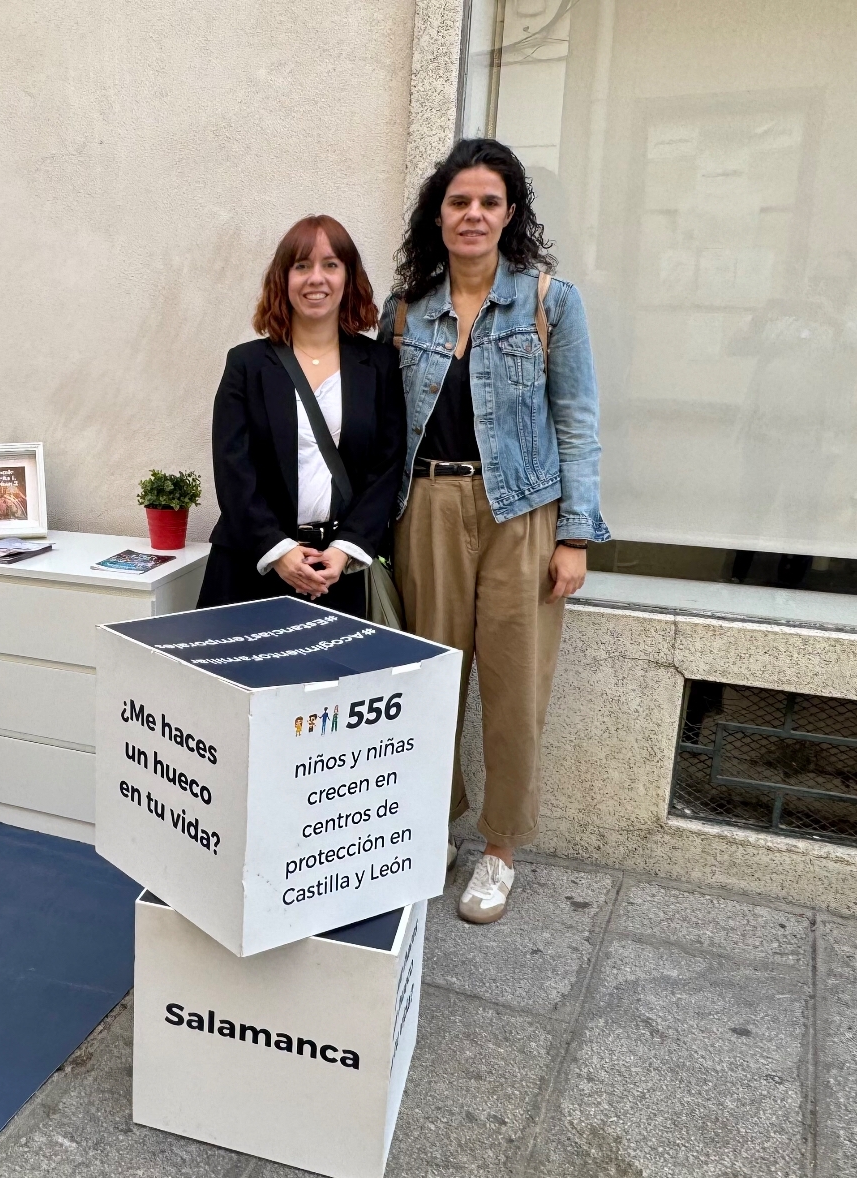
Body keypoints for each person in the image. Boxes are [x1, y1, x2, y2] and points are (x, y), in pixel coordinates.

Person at [381, 139, 610, 924]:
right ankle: (430, 828)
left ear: (511, 213)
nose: (472, 215)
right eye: (458, 202)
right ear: (437, 214)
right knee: (429, 681)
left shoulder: (550, 302)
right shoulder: (406, 310)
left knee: (515, 689)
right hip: (427, 511)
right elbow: (383, 429)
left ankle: (501, 848)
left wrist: (575, 535)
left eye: (488, 202)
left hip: (523, 515)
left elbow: (576, 422)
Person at [199, 215, 405, 616]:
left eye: (330, 264)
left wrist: (346, 550)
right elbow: (232, 468)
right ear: (284, 278)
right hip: (251, 568)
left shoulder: (379, 365)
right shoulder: (246, 364)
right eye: (302, 266)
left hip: (338, 575)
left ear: (348, 277)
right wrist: (278, 551)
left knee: (335, 679)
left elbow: (386, 468)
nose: (316, 278)